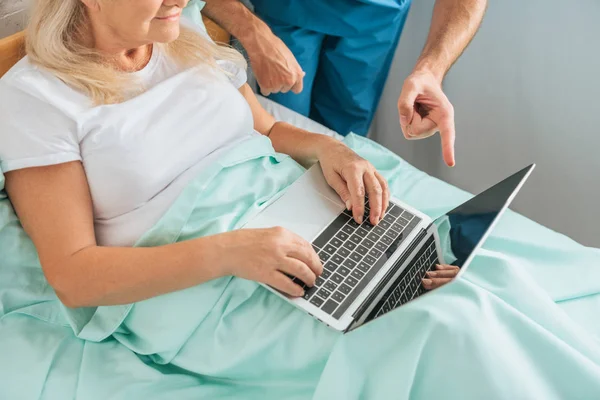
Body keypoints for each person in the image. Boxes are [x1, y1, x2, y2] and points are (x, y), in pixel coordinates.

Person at [0, 0, 456, 311]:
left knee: (453, 289)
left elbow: (268, 128)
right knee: (430, 333)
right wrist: (231, 253)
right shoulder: (35, 98)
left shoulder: (185, 33)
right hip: (208, 278)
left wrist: (329, 149)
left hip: (296, 222)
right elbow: (73, 275)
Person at [198, 0, 488, 167]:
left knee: (345, 141)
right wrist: (251, 30)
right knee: (282, 143)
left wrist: (431, 70)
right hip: (287, 9)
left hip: (375, 16)